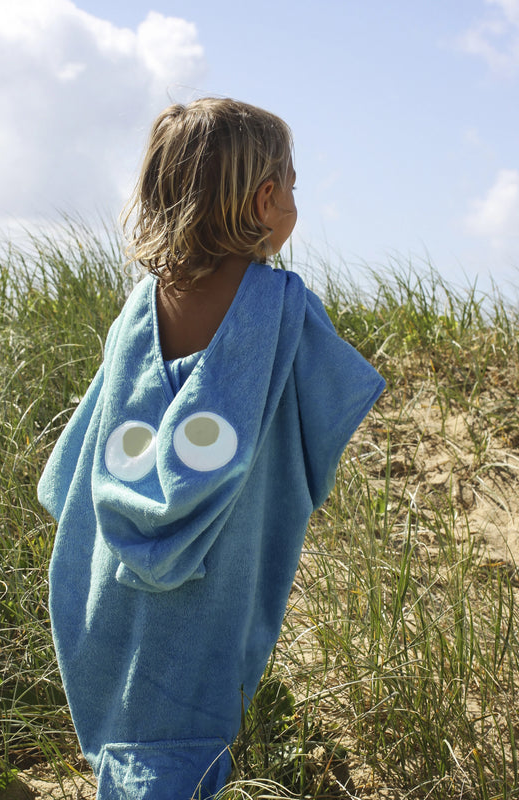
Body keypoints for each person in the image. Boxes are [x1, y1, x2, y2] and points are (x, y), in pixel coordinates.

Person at [38, 97, 385, 799]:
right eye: (291, 184)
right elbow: (335, 404)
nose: (294, 199)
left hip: (116, 586)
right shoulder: (281, 308)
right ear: (265, 200)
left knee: (135, 739)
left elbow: (73, 469)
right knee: (187, 743)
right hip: (214, 581)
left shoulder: (137, 311)